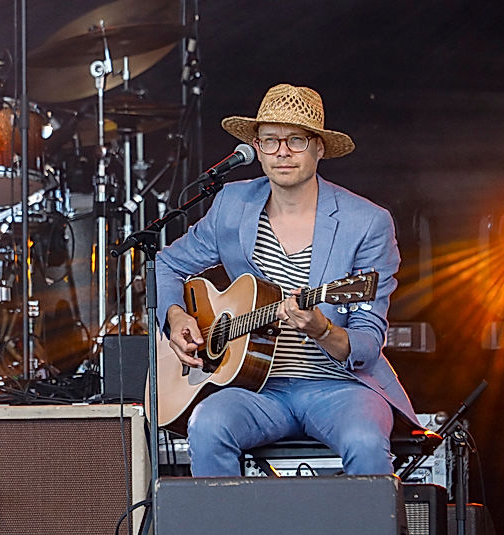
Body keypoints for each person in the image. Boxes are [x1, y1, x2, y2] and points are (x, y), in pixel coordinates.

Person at [157, 84, 417, 477]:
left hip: (339, 387)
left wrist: (324, 330)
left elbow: (367, 338)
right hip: (257, 391)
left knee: (365, 441)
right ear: (256, 148)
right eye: (270, 140)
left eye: (296, 140)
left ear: (319, 148)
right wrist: (177, 317)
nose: (282, 151)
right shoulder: (232, 205)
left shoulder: (366, 223)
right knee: (207, 425)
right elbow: (166, 264)